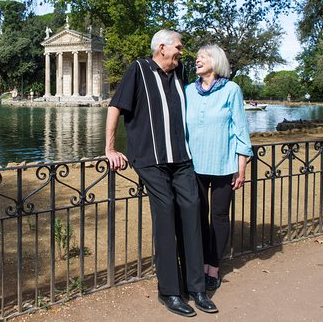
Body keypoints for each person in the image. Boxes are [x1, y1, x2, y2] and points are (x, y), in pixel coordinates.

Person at [105, 29, 217, 317]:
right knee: (166, 212)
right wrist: (109, 148)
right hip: (150, 159)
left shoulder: (180, 76)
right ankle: (169, 291)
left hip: (181, 159)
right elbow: (116, 107)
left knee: (192, 211)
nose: (182, 51)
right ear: (162, 47)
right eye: (179, 46)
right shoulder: (139, 69)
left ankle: (197, 288)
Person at [184, 44, 253, 291]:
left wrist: (241, 166)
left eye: (203, 56)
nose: (197, 59)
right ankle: (199, 264)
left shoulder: (231, 90)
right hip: (194, 166)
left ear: (216, 61)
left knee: (219, 217)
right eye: (197, 57)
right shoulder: (188, 91)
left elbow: (240, 129)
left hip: (224, 164)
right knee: (198, 217)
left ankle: (213, 267)